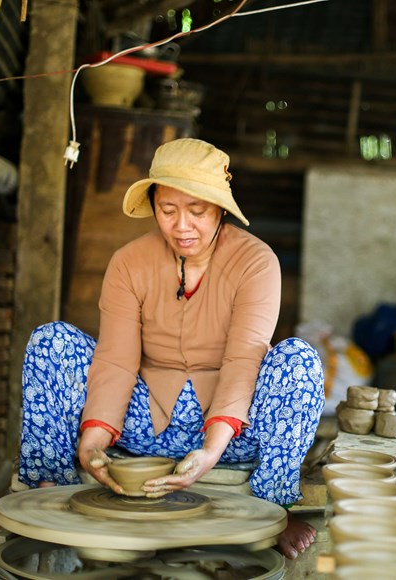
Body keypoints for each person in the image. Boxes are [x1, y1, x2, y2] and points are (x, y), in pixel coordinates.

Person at [17, 138, 325, 559]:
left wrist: (211, 450)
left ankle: (274, 509)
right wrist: (92, 445)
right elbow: (117, 359)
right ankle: (47, 494)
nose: (182, 226)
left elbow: (243, 358)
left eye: (197, 212)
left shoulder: (256, 261)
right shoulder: (130, 261)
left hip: (231, 429)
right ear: (154, 205)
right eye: (168, 210)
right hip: (143, 420)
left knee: (298, 360)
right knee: (51, 341)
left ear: (219, 208)